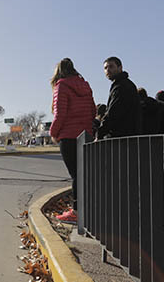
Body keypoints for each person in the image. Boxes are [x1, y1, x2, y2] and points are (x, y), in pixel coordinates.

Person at [49, 58, 96, 224]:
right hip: (85, 135)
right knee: (84, 174)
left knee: (76, 175)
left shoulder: (61, 86)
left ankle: (77, 212)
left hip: (68, 136)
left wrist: (53, 133)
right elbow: (93, 110)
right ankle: (87, 210)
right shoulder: (86, 86)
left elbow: (60, 114)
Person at [96, 56, 141, 139]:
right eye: (105, 68)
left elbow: (113, 112)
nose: (108, 70)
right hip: (128, 135)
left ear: (120, 68)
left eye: (111, 66)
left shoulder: (121, 86)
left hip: (122, 136)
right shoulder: (123, 84)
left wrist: (100, 133)